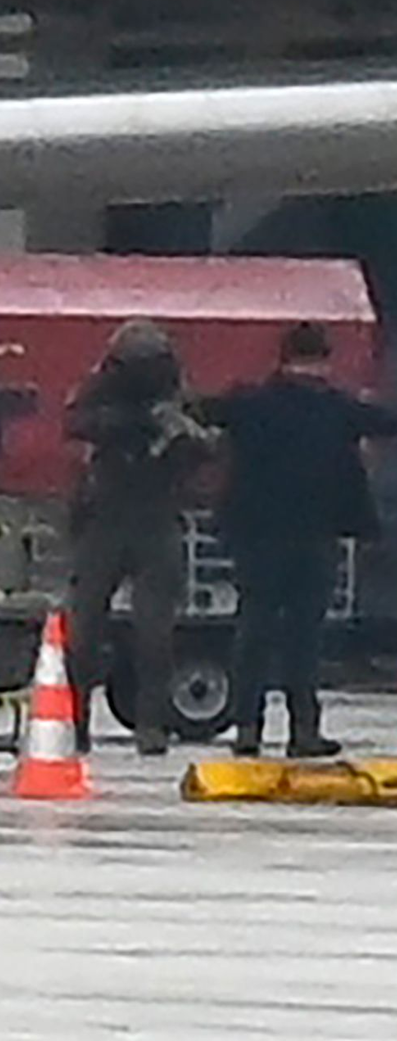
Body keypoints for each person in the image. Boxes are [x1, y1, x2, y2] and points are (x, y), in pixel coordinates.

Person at [201, 322, 397, 759]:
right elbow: (393, 424)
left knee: (254, 629)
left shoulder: (250, 404)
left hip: (257, 536)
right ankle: (304, 731)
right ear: (324, 359)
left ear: (282, 358)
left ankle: (247, 726)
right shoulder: (338, 408)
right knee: (304, 637)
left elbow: (201, 410)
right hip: (315, 537)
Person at [65, 320, 214, 756]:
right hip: (107, 518)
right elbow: (76, 423)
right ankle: (74, 721)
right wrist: (138, 424)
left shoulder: (177, 395)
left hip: (152, 516)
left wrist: (181, 438)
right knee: (84, 631)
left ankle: (151, 725)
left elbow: (204, 448)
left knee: (155, 635)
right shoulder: (100, 392)